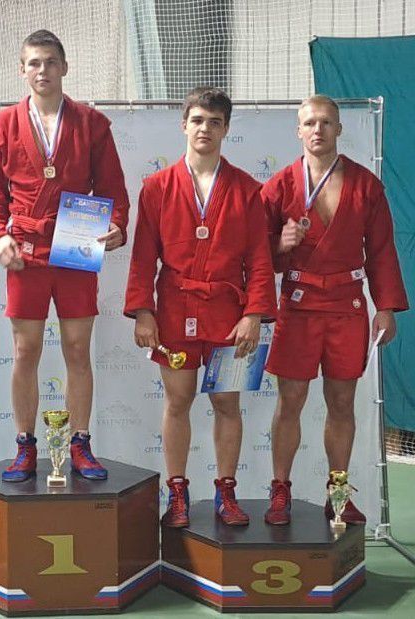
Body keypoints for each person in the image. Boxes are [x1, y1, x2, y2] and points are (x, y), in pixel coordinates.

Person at [0, 30, 129, 482]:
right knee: (25, 350)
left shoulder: (92, 124)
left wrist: (116, 224)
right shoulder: (2, 126)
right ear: (22, 70)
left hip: (76, 245)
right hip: (26, 248)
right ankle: (25, 444)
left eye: (49, 62)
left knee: (78, 348)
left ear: (64, 67)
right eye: (34, 63)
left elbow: (113, 188)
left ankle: (79, 442)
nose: (42, 70)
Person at [124, 87, 276, 527]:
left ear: (225, 129)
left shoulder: (248, 190)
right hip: (174, 308)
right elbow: (143, 256)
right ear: (183, 125)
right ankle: (177, 492)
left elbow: (259, 260)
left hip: (229, 313)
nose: (204, 128)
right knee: (178, 401)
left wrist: (254, 314)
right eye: (197, 120)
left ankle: (226, 492)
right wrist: (143, 311)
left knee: (227, 402)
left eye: (214, 122)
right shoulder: (156, 187)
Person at [261, 95, 408, 525]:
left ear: (339, 129)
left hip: (347, 305)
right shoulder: (279, 187)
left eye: (326, 122)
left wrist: (386, 307)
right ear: (298, 131)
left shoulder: (366, 185)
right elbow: (254, 253)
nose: (318, 129)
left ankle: (338, 495)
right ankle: (280, 491)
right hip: (298, 305)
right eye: (310, 122)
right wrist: (279, 245)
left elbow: (381, 250)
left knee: (342, 402)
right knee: (290, 400)